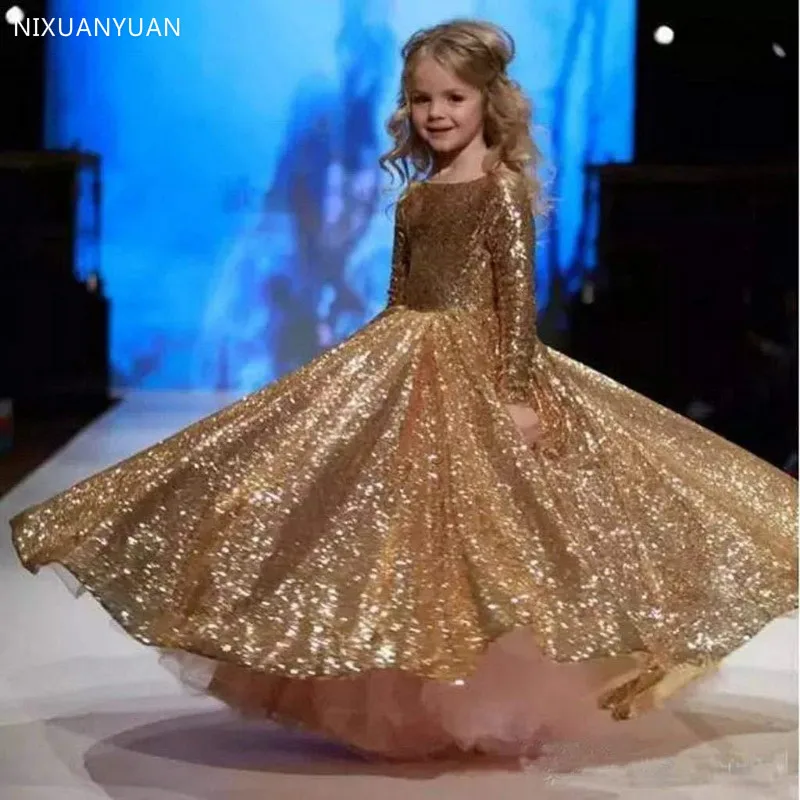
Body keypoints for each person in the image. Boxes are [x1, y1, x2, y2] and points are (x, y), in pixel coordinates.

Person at [9, 19, 797, 762]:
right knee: (386, 524)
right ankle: (400, 684)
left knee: (489, 533)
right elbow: (399, 296)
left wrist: (518, 391)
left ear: (491, 101)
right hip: (402, 354)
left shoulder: (501, 195)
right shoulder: (418, 196)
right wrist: (359, 371)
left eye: (454, 97)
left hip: (483, 367)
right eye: (422, 98)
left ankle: (477, 692)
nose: (435, 113)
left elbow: (513, 306)